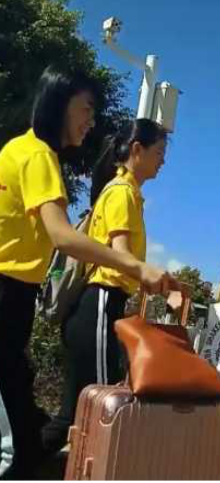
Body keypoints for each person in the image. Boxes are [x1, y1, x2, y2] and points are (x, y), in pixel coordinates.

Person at [0, 67, 177, 480]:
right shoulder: (40, 156)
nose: (91, 121)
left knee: (32, 430)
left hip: (16, 297)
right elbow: (62, 235)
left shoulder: (19, 150)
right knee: (92, 414)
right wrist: (138, 267)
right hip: (15, 295)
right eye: (87, 109)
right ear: (60, 103)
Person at [42, 118, 174, 455]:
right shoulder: (122, 193)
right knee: (107, 411)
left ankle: (22, 461)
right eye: (159, 152)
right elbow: (121, 255)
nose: (163, 161)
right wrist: (152, 277)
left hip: (98, 308)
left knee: (71, 417)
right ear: (137, 150)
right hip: (100, 305)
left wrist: (151, 280)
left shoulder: (124, 192)